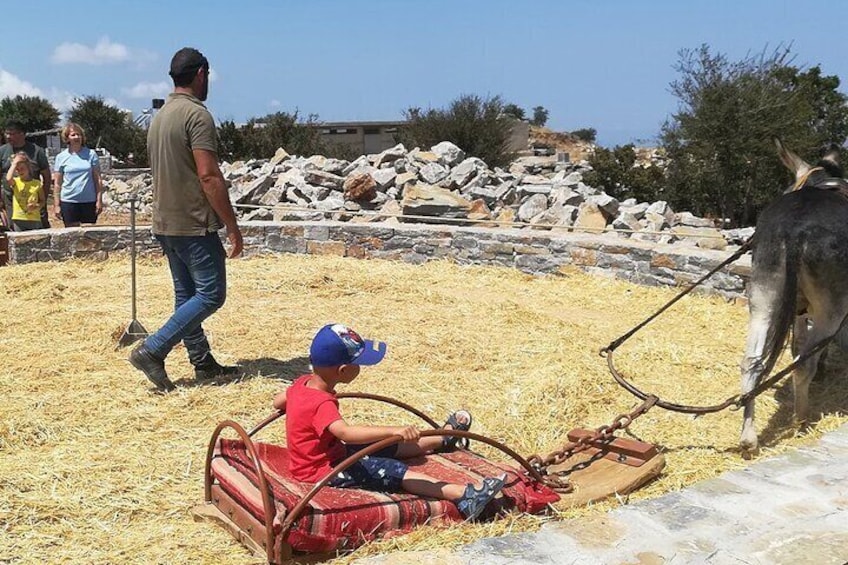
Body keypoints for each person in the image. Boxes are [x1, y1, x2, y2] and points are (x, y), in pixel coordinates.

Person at [277, 323, 506, 521]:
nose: (361, 368)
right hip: (322, 470)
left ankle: (441, 439)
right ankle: (463, 496)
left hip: (326, 454)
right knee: (393, 470)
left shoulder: (302, 384)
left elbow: (279, 402)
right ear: (343, 370)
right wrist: (393, 429)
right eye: (359, 364)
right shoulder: (322, 404)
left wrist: (295, 408)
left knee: (381, 446)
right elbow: (345, 432)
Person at [129, 47, 244, 392]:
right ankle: (153, 350)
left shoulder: (160, 117)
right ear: (201, 74)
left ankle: (202, 362)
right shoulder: (197, 116)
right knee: (211, 295)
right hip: (194, 222)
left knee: (187, 296)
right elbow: (208, 176)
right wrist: (233, 228)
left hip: (165, 221)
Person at [0, 121, 52, 228]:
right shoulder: (2, 151)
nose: (8, 137)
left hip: (33, 201)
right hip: (11, 201)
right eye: (7, 133)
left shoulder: (37, 151)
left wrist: (43, 198)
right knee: (13, 231)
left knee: (39, 231)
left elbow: (47, 176)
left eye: (12, 134)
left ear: (22, 134)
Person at [52, 123, 103, 227]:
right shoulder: (61, 157)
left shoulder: (91, 154)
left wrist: (99, 200)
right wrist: (56, 204)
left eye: (79, 134)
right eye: (73, 135)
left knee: (89, 238)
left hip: (88, 200)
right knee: (72, 236)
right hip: (69, 201)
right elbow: (57, 183)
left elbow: (97, 180)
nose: (77, 137)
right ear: (67, 138)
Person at [4, 152, 44, 231]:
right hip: (19, 218)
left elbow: (42, 200)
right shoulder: (16, 182)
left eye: (22, 168)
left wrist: (37, 206)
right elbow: (8, 178)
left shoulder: (37, 183)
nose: (20, 171)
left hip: (34, 218)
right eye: (17, 170)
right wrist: (14, 163)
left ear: (28, 167)